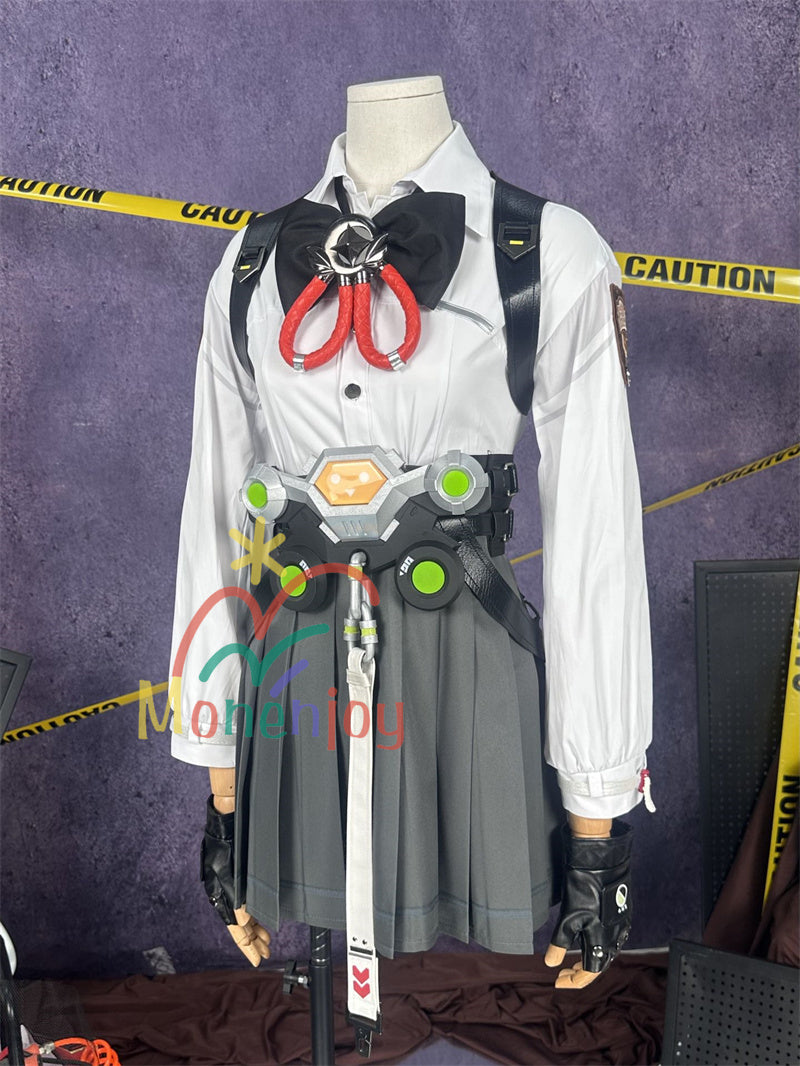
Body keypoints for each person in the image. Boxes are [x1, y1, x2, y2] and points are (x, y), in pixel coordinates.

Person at [169, 75, 653, 999]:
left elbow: (597, 541)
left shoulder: (547, 251)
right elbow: (217, 519)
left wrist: (598, 827)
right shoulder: (250, 264)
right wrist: (223, 792)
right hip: (296, 653)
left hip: (465, 649)